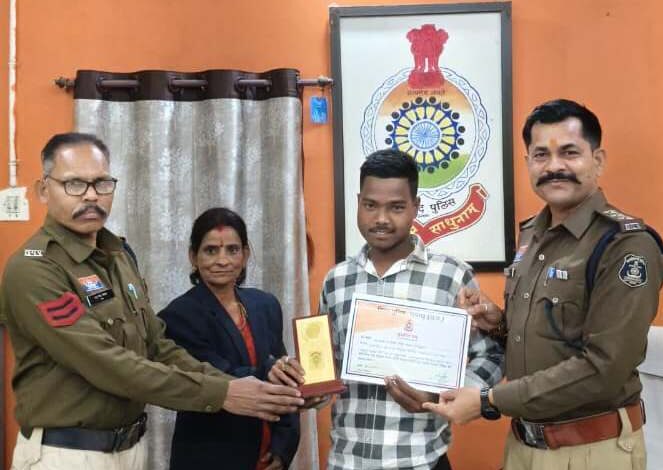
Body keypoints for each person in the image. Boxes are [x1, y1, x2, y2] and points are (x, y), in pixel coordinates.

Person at [0, 133, 304, 470]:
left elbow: (157, 347)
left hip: (131, 449)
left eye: (101, 183)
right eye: (74, 184)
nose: (91, 195)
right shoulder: (34, 268)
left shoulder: (119, 256)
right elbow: (107, 364)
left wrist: (231, 385)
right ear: (43, 190)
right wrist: (221, 394)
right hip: (68, 454)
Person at [424, 99, 663, 470]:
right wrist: (497, 323)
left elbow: (604, 369)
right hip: (523, 445)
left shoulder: (625, 245)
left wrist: (488, 400)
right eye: (541, 155)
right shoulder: (531, 235)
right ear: (528, 163)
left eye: (569, 152)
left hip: (591, 451)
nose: (554, 166)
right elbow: (549, 340)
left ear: (597, 160)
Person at [271, 148, 504, 470]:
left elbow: (491, 354)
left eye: (396, 207)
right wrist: (304, 384)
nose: (381, 219)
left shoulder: (451, 276)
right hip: (346, 460)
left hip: (420, 459)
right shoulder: (337, 280)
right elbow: (329, 367)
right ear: (358, 203)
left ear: (415, 207)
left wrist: (446, 396)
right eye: (370, 205)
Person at [158, 208, 299, 470]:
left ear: (245, 255)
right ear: (193, 256)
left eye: (232, 250)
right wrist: (272, 371)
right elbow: (219, 375)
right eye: (211, 250)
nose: (222, 260)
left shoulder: (266, 305)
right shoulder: (179, 315)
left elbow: (284, 377)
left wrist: (283, 449)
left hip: (267, 456)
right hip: (211, 457)